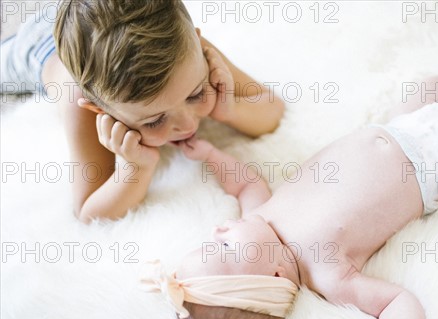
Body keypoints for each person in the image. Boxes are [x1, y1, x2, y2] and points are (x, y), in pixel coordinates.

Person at [142, 46, 438, 319]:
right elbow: (393, 302)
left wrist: (211, 153)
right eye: (225, 251)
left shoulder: (258, 214)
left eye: (209, 241)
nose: (218, 232)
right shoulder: (327, 274)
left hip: (400, 126)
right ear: (276, 276)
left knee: (422, 91)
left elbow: (243, 180)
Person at [0, 0, 284, 222]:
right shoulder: (79, 103)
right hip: (37, 48)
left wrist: (230, 108)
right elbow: (88, 212)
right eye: (155, 120)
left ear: (198, 42)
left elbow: (271, 107)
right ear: (99, 109)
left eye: (196, 93)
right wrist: (136, 168)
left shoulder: (189, 53)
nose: (187, 125)